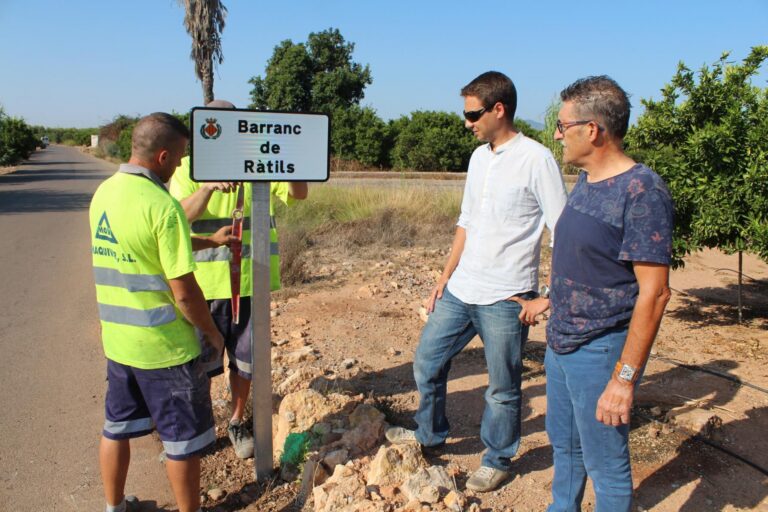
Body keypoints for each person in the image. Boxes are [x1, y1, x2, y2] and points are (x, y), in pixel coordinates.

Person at [385, 71, 568, 492]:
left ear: (498, 109)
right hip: (461, 289)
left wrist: (548, 296)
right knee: (427, 362)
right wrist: (443, 277)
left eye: (472, 114)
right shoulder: (478, 158)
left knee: (501, 388)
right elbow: (466, 222)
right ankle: (429, 433)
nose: (467, 123)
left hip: (507, 297)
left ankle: (498, 457)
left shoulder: (537, 159)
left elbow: (563, 230)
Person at [542, 76, 673, 512]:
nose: (557, 135)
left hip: (599, 350)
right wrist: (549, 299)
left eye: (562, 125)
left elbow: (654, 294)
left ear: (592, 130)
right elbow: (588, 261)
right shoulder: (587, 181)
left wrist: (623, 379)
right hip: (561, 341)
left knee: (606, 466)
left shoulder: (642, 190)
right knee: (566, 447)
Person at [90, 113, 224, 512]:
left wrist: (207, 240)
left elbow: (144, 252)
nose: (182, 164)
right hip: (164, 349)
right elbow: (184, 293)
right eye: (180, 157)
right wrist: (213, 334)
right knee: (182, 442)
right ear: (163, 156)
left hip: (119, 342)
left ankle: (114, 507)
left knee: (116, 429)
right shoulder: (162, 206)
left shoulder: (104, 193)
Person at [169, 99, 308, 459]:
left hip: (251, 283)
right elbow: (176, 218)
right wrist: (207, 187)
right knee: (196, 364)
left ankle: (236, 420)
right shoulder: (188, 168)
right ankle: (194, 431)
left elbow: (298, 194)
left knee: (246, 362)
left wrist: (291, 160)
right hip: (201, 287)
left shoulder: (260, 161)